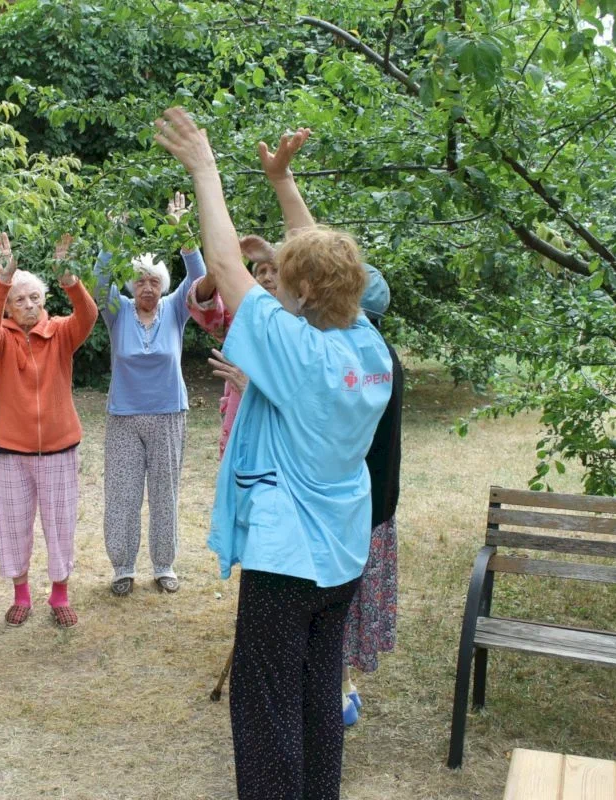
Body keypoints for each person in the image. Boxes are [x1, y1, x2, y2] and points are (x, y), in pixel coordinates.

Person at [154, 109, 392, 800]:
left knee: (264, 710)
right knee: (317, 698)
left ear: (305, 294)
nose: (275, 287)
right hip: (341, 555)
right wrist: (284, 184)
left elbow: (227, 265)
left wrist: (205, 166)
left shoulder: (303, 354)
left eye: (285, 280)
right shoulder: (365, 346)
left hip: (288, 560)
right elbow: (325, 268)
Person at [0, 232, 98, 628]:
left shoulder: (61, 331)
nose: (28, 305)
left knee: (60, 523)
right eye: (19, 300)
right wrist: (2, 279)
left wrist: (70, 279)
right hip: (12, 450)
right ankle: (21, 594)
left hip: (60, 447)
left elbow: (89, 317)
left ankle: (59, 593)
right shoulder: (0, 339)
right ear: (8, 306)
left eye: (34, 298)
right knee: (14, 525)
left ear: (44, 301)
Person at [93, 194, 206, 596]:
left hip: (168, 414)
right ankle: (123, 567)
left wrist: (184, 233)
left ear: (163, 285)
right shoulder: (117, 311)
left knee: (165, 492)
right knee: (122, 494)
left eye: (153, 280)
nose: (146, 287)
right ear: (132, 284)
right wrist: (112, 237)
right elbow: (98, 282)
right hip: (124, 415)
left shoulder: (176, 309)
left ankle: (164, 565)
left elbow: (199, 280)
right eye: (140, 280)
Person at [340, 264, 403, 725]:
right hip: (376, 505)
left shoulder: (359, 357)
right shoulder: (384, 353)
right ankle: (343, 684)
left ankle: (336, 693)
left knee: (337, 607)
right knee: (348, 607)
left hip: (354, 509)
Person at [186, 235, 279, 457]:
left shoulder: (302, 323)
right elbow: (206, 308)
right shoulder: (242, 318)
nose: (267, 277)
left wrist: (252, 387)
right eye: (261, 272)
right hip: (239, 426)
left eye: (275, 271)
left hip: (277, 435)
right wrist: (214, 272)